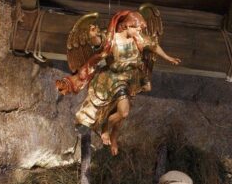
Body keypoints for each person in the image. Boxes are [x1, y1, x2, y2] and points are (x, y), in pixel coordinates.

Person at [56, 8, 181, 156]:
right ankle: (99, 127)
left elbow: (153, 45)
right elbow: (98, 42)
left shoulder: (138, 38)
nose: (139, 32)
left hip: (130, 78)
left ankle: (110, 133)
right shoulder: (112, 39)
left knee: (122, 112)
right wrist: (92, 37)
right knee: (116, 109)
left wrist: (168, 58)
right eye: (137, 28)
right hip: (113, 79)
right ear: (128, 26)